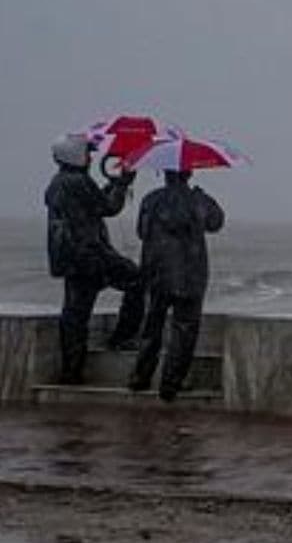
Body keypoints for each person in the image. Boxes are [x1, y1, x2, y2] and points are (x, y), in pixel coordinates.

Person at [44, 133, 145, 384]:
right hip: (91, 256)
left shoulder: (59, 183)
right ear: (76, 156)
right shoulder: (78, 181)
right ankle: (123, 337)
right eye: (88, 153)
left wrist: (112, 184)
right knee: (137, 279)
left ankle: (72, 370)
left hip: (71, 259)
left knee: (75, 315)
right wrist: (122, 183)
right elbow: (108, 207)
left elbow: (94, 204)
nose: (90, 157)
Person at [130, 169, 224, 401]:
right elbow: (216, 222)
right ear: (189, 173)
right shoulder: (197, 200)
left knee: (152, 327)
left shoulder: (151, 200)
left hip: (157, 273)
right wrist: (204, 198)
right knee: (184, 330)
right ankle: (171, 384)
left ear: (164, 173)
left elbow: (141, 232)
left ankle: (140, 377)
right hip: (190, 276)